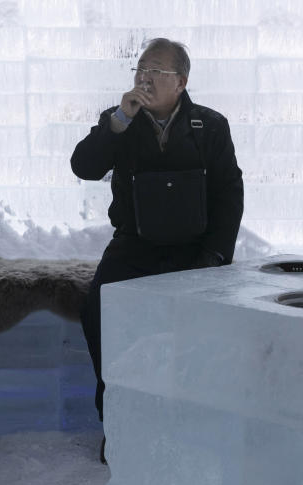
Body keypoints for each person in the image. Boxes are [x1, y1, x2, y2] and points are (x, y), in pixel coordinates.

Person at [71, 38, 244, 463]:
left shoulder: (210, 125)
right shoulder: (120, 122)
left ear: (181, 82)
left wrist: (216, 257)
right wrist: (118, 121)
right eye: (140, 69)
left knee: (204, 331)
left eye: (156, 71)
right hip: (135, 245)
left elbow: (229, 193)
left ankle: (190, 423)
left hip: (194, 250)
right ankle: (118, 421)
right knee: (98, 312)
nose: (144, 78)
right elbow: (84, 166)